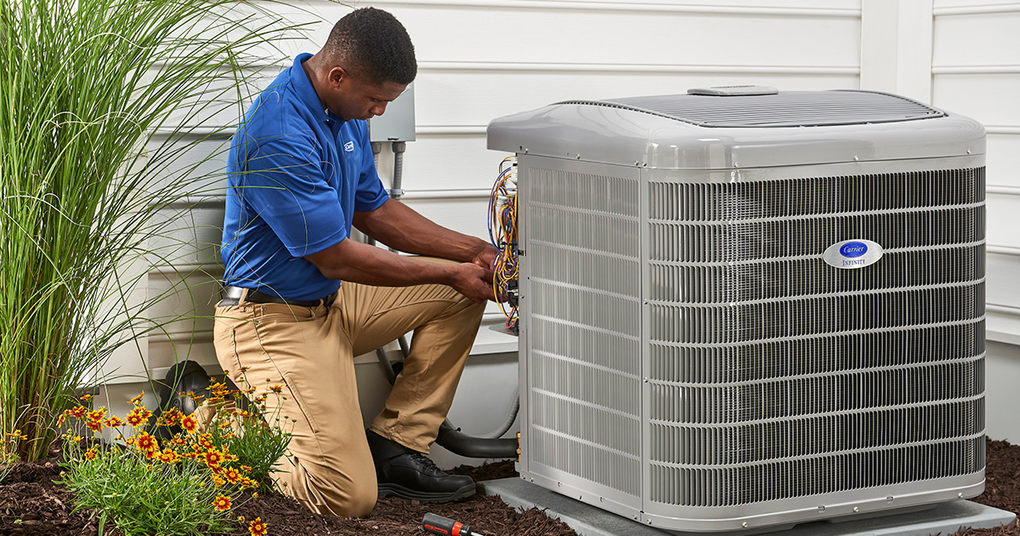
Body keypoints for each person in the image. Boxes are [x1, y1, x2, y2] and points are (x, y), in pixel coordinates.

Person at [213, 7, 500, 517]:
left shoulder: (342, 114)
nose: (380, 113)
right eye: (375, 99)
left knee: (460, 291)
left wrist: (475, 253)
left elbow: (376, 210)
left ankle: (399, 447)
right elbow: (336, 257)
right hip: (270, 321)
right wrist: (447, 268)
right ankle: (209, 423)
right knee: (345, 496)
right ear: (337, 75)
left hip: (331, 305)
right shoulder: (279, 132)